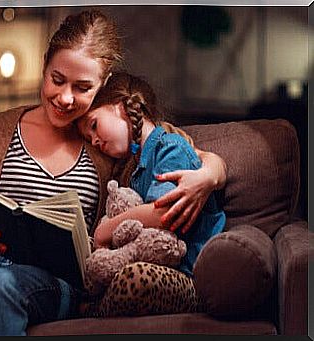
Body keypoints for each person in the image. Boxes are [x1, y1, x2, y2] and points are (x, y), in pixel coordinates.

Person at [0, 10, 226, 336]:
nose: (65, 98)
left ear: (105, 84)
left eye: (82, 87)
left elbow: (183, 151)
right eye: (57, 80)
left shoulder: (109, 139)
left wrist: (211, 174)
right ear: (44, 67)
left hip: (49, 281)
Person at [77, 71, 226, 316]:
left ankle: (95, 310)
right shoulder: (133, 170)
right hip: (154, 266)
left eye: (94, 125)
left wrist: (107, 228)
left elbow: (165, 212)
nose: (94, 140)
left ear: (121, 106)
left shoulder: (170, 147)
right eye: (88, 137)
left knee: (134, 278)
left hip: (188, 275)